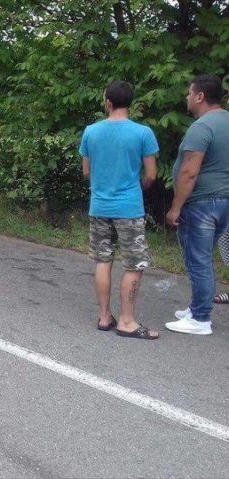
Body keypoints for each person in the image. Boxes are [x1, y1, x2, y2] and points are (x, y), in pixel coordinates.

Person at [79, 80, 159, 339]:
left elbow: (86, 171)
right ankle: (127, 320)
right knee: (134, 263)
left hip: (99, 206)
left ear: (108, 102)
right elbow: (151, 175)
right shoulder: (143, 133)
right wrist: (134, 190)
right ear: (130, 103)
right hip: (129, 208)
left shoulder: (90, 131)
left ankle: (104, 317)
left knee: (103, 260)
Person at [165, 74, 229, 336]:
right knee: (202, 257)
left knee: (198, 259)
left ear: (201, 96)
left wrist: (176, 207)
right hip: (223, 200)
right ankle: (195, 307)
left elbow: (190, 171)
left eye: (190, 93)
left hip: (202, 202)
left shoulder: (202, 127)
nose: (187, 98)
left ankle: (201, 318)